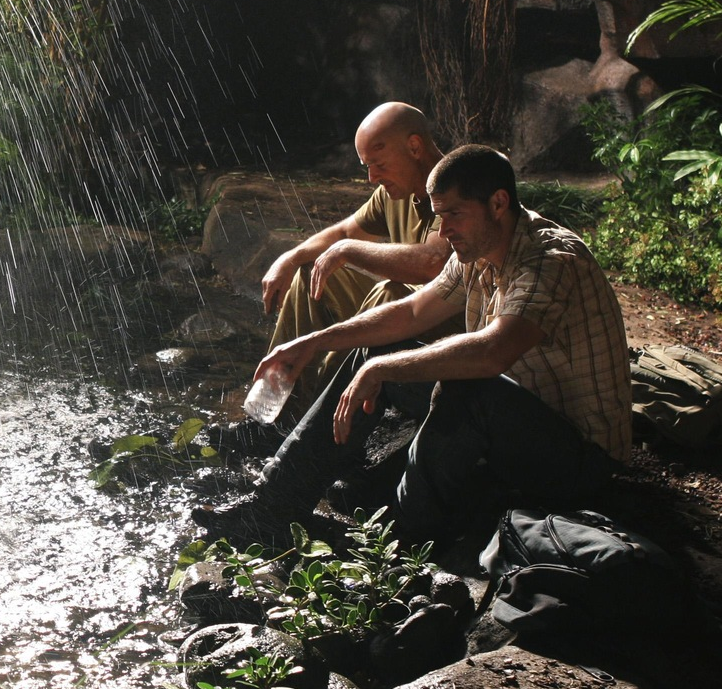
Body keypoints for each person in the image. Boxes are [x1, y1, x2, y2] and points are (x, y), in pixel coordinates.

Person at [197, 144, 631, 546]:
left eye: (454, 215)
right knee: (376, 354)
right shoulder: (478, 247)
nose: (444, 230)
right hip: (511, 422)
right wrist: (314, 342)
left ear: (498, 203)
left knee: (462, 384)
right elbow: (411, 312)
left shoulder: (550, 259)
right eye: (440, 216)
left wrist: (383, 371)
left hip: (578, 460)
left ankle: (403, 537)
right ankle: (271, 505)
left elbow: (492, 352)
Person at [259, 102, 453, 420]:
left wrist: (349, 250)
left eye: (377, 164)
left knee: (389, 293)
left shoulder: (456, 189)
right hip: (406, 316)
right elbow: (346, 230)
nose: (371, 177)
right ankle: (274, 408)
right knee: (314, 273)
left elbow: (431, 262)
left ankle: (317, 418)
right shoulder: (394, 193)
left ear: (414, 146)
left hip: (451, 331)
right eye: (366, 166)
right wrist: (290, 258)